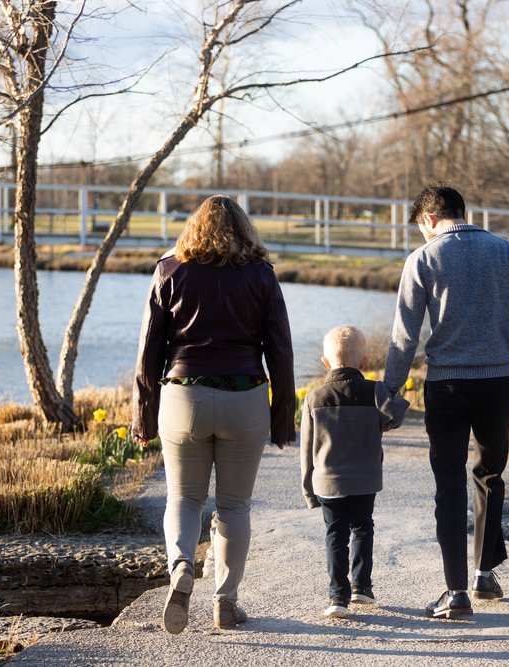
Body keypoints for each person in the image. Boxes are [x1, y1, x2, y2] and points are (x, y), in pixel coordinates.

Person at [383, 184, 509, 619]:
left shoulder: (423, 259)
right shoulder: (508, 253)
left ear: (429, 220)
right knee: (490, 475)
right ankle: (485, 574)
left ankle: (455, 592)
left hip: (445, 387)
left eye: (421, 229)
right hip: (496, 384)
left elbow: (404, 337)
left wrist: (387, 394)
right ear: (461, 211)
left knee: (448, 484)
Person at [131, 194, 296, 634]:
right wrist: (283, 418)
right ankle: (225, 601)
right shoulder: (262, 275)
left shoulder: (169, 270)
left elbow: (148, 352)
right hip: (245, 397)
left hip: (184, 397)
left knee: (184, 498)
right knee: (234, 505)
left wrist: (143, 416)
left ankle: (182, 566)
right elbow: (280, 352)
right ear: (245, 230)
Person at [300, 325, 409, 620]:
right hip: (365, 478)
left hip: (327, 480)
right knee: (363, 528)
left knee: (335, 535)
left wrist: (308, 489)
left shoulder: (314, 397)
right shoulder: (374, 391)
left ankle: (338, 595)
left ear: (326, 362)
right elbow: (394, 415)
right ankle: (362, 585)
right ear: (363, 362)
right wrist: (396, 404)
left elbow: (306, 448)